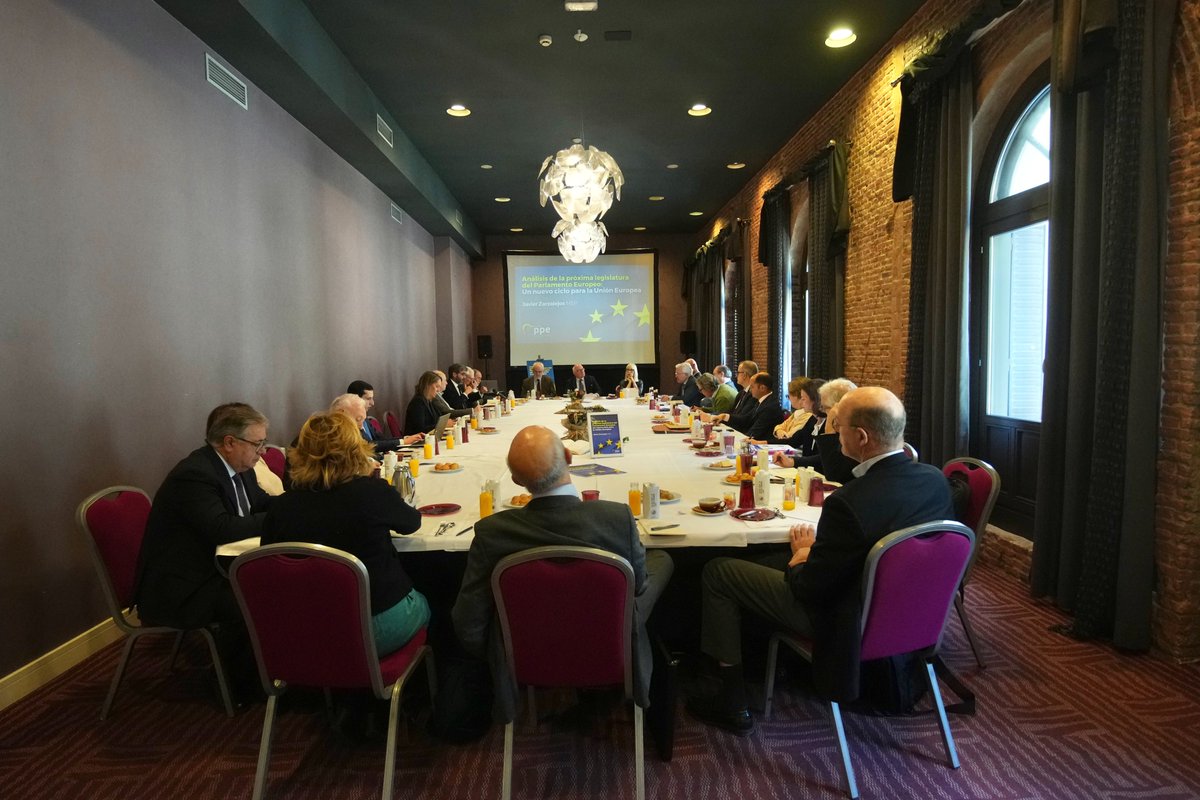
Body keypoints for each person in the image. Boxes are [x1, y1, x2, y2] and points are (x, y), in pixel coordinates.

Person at [687, 387, 957, 736]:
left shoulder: (848, 503)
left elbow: (811, 589)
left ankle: (731, 700)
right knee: (770, 557)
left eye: (837, 426)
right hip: (910, 615)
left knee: (719, 571)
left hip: (843, 623)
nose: (832, 433)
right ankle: (761, 654)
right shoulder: (935, 481)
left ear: (860, 437)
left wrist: (801, 557)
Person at [452, 425, 674, 722]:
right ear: (570, 457)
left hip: (524, 655)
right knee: (660, 563)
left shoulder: (492, 533)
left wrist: (500, 653)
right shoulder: (616, 518)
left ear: (517, 481)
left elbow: (468, 620)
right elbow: (639, 585)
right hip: (611, 645)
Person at [261, 412, 428, 656]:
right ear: (356, 450)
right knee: (433, 597)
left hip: (306, 627)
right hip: (375, 625)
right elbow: (412, 523)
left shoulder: (281, 506)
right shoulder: (372, 493)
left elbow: (271, 562)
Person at [134, 403, 274, 629]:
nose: (263, 452)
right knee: (262, 597)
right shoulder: (195, 474)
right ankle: (242, 663)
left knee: (278, 581)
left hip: (217, 567)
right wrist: (278, 519)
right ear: (230, 442)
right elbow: (223, 528)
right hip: (186, 586)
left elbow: (261, 502)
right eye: (258, 444)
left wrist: (296, 506)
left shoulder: (240, 467)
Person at [772, 377, 858, 482]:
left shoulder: (850, 433)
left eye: (825, 407)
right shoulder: (817, 420)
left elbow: (833, 471)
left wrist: (829, 429)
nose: (821, 409)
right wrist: (793, 461)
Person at [767, 377, 825, 456]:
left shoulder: (814, 418)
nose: (801, 402)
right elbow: (794, 439)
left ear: (815, 400)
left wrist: (793, 462)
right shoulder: (812, 419)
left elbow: (818, 459)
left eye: (803, 399)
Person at [405, 371, 444, 435]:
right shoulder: (417, 403)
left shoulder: (429, 401)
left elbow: (438, 418)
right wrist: (442, 424)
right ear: (428, 385)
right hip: (416, 440)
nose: (438, 390)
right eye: (437, 386)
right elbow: (420, 429)